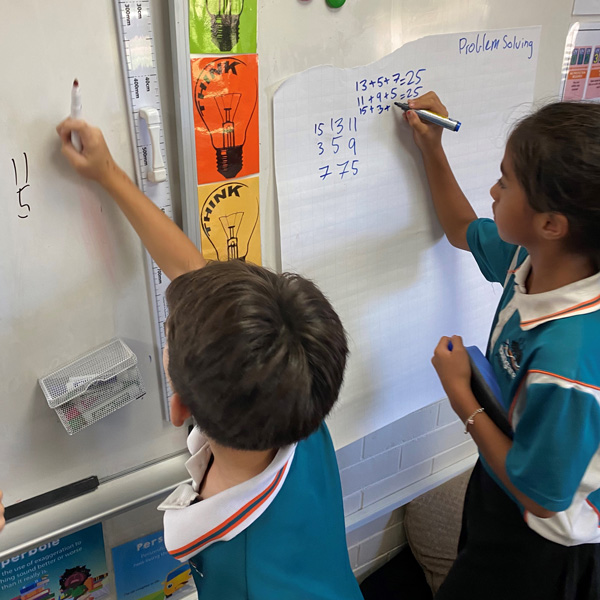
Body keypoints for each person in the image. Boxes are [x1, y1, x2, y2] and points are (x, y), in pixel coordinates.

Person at [56, 119, 363, 600]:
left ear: (178, 407)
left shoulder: (245, 579)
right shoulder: (296, 400)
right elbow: (188, 272)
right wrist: (108, 171)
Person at [404, 92, 600, 599]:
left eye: (505, 182)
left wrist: (462, 400)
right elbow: (460, 229)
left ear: (552, 224)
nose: (493, 189)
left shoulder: (569, 360)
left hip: (545, 542)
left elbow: (541, 500)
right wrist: (431, 146)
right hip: (508, 467)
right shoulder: (529, 255)